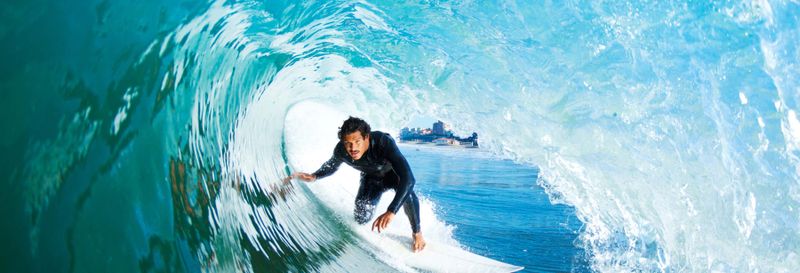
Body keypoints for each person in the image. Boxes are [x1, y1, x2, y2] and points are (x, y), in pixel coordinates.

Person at [291, 116, 426, 252]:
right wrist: (315, 176)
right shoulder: (341, 150)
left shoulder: (382, 142)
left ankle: (417, 232)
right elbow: (331, 166)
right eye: (348, 143)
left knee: (408, 194)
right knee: (361, 217)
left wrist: (391, 211)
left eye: (357, 141)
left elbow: (409, 179)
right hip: (371, 180)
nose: (353, 148)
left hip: (393, 176)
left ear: (366, 137)